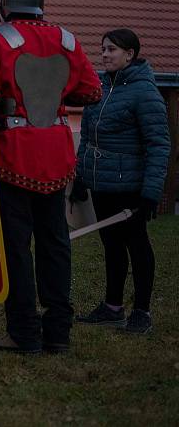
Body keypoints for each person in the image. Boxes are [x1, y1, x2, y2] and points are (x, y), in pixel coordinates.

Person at [0, 0, 102, 353]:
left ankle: (24, 332)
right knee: (55, 243)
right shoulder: (67, 39)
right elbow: (91, 91)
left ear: (3, 0)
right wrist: (54, 99)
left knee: (16, 245)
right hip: (57, 151)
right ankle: (58, 333)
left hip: (14, 153)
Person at [73, 29, 170, 334]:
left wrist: (151, 193)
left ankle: (141, 311)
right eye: (102, 49)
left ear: (129, 54)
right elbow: (87, 137)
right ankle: (113, 307)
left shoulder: (145, 92)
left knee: (137, 245)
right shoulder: (99, 88)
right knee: (111, 245)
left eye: (111, 50)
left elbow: (159, 143)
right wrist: (80, 175)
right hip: (102, 184)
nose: (104, 55)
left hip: (131, 186)